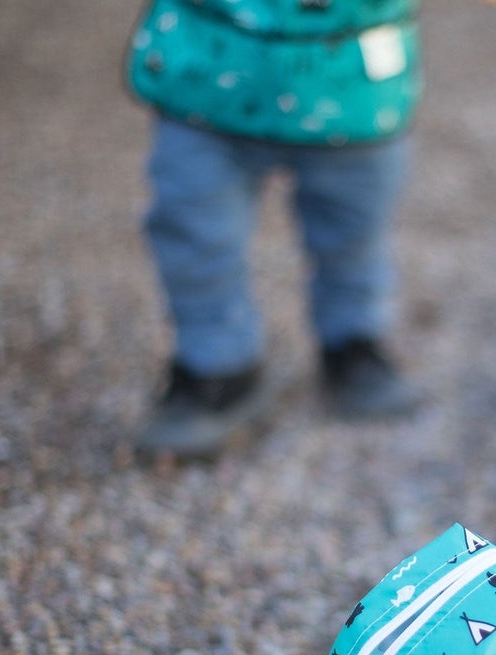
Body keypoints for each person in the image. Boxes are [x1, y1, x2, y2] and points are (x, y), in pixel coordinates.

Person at [125, 0, 424, 458]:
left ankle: (354, 342)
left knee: (355, 233)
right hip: (208, 77)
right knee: (195, 232)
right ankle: (216, 366)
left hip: (352, 85)